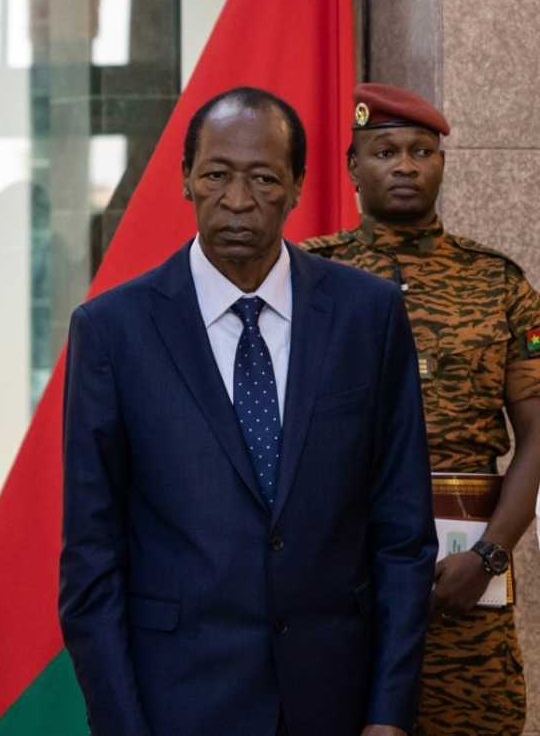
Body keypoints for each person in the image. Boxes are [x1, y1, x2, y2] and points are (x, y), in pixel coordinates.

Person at [58, 87, 437, 736]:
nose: (237, 200)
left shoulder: (367, 316)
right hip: (176, 703)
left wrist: (389, 713)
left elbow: (402, 533)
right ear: (185, 180)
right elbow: (92, 558)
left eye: (263, 178)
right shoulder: (113, 331)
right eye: (216, 175)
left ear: (296, 187)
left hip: (335, 702)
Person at [302, 82, 540, 736]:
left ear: (440, 162)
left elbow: (538, 435)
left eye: (421, 151)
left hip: (464, 585)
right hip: (340, 588)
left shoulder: (499, 282)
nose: (405, 165)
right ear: (353, 166)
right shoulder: (307, 278)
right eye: (385, 151)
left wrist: (489, 556)